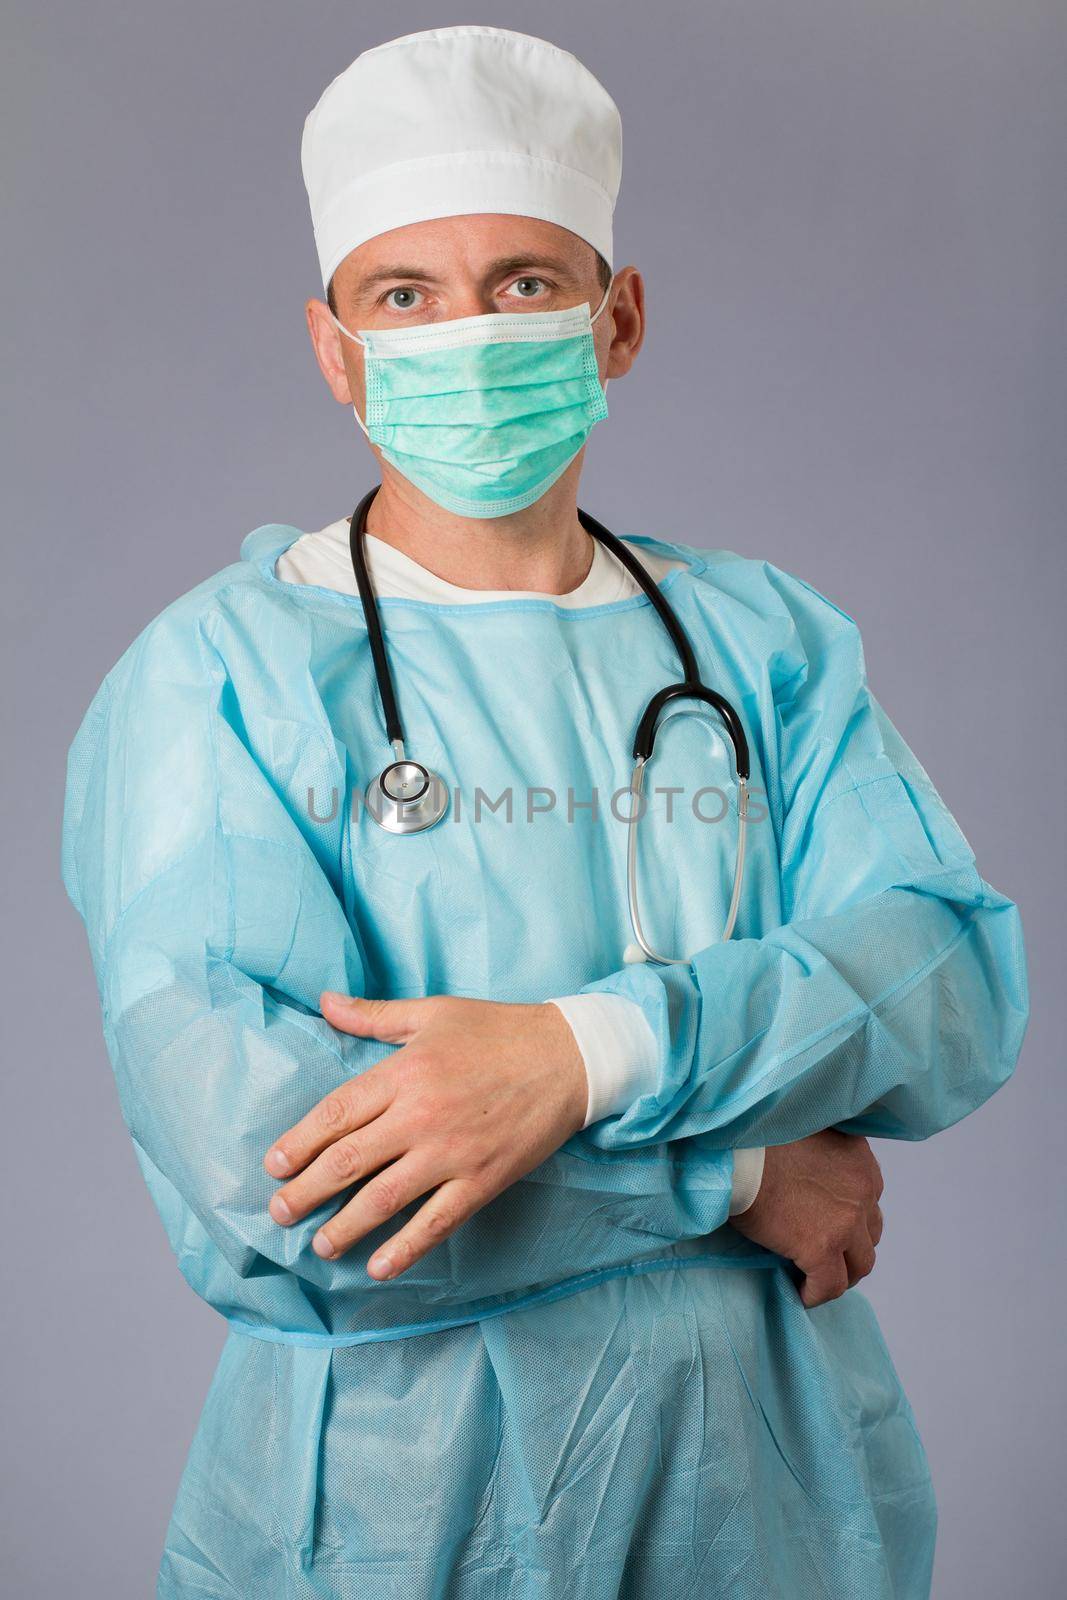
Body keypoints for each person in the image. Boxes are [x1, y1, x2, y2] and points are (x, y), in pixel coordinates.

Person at [61, 25, 1029, 1600]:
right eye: (404, 298)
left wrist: (586, 1054)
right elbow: (278, 1189)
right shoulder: (222, 683)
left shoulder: (761, 643)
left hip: (778, 1497)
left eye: (523, 283)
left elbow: (944, 983)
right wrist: (732, 1178)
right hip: (399, 1527)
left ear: (617, 317)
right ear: (337, 350)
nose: (469, 335)